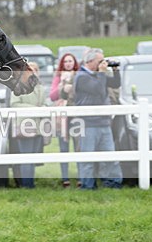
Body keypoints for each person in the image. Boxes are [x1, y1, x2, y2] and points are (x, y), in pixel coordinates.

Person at [73, 49, 122, 190]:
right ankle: (87, 186)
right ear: (89, 61)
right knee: (87, 158)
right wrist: (102, 73)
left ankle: (113, 182)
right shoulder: (81, 77)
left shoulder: (98, 75)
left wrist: (115, 69)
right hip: (89, 124)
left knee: (110, 157)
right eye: (99, 61)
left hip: (103, 122)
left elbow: (115, 84)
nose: (103, 63)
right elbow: (99, 89)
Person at [10, 62, 47, 188]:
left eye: (36, 70)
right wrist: (33, 108)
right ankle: (27, 185)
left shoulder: (40, 87)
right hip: (24, 125)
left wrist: (43, 108)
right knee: (26, 158)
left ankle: (30, 183)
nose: (34, 72)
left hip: (38, 126)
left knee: (33, 157)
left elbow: (47, 103)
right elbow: (14, 104)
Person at [49, 52, 79, 188]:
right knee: (63, 147)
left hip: (76, 115)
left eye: (70, 61)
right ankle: (65, 178)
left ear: (74, 63)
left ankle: (81, 177)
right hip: (62, 116)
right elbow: (52, 95)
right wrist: (62, 87)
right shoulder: (58, 76)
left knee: (79, 147)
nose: (68, 63)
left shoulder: (79, 76)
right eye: (66, 61)